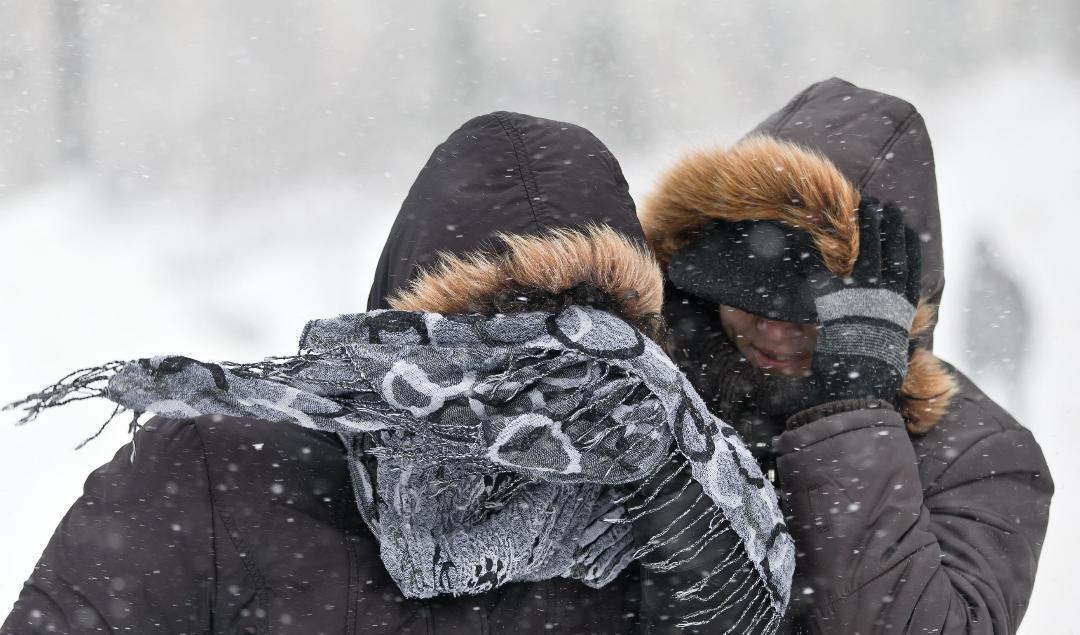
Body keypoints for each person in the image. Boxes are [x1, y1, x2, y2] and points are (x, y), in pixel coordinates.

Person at [3, 112, 793, 634]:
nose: (529, 382)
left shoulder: (680, 513)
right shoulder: (213, 474)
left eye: (580, 339)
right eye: (497, 328)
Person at [638, 77, 1054, 633]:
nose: (772, 327)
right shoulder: (639, 403)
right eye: (742, 290)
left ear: (889, 310)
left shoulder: (982, 455)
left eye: (808, 309)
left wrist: (849, 420)